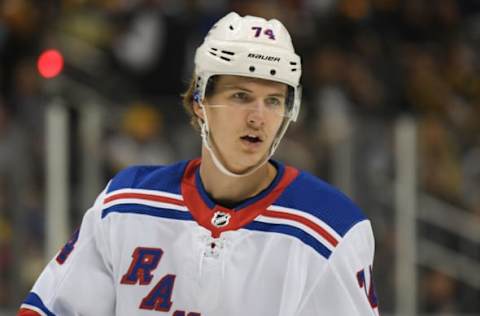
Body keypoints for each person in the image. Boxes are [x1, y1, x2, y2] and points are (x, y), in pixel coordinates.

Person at [18, 12, 379, 316]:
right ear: (198, 102)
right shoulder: (126, 205)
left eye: (273, 100)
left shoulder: (331, 228)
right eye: (241, 96)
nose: (258, 117)